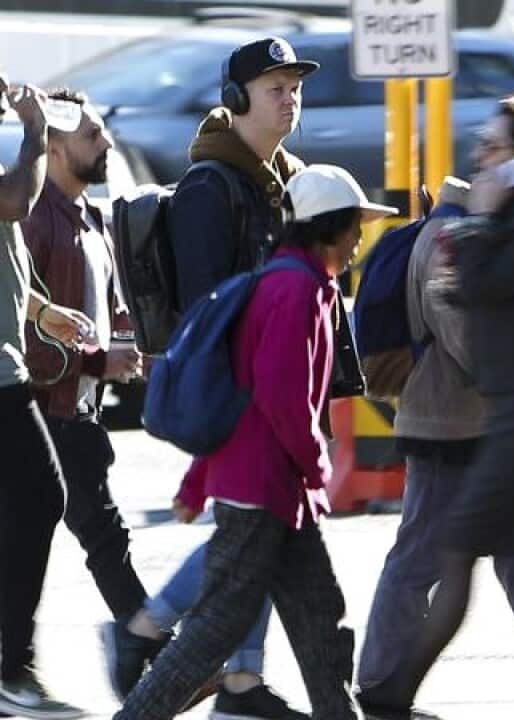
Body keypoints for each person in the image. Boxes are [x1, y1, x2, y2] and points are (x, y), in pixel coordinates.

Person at [114, 164, 393, 720]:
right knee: (215, 629)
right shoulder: (298, 290)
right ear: (329, 227)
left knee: (319, 618)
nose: (360, 235)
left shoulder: (295, 281)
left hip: (275, 491)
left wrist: (202, 481)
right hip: (265, 490)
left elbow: (240, 391)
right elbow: (279, 396)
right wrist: (318, 468)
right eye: (355, 224)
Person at [104, 36, 318, 719]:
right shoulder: (211, 186)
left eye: (295, 88)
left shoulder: (285, 180)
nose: (290, 100)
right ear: (236, 99)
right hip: (234, 391)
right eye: (275, 89)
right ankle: (148, 629)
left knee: (260, 533)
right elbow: (207, 307)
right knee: (250, 534)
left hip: (273, 386)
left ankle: (242, 679)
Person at [354, 177, 514, 717]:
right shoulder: (446, 238)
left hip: (477, 427)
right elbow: (467, 337)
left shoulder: (458, 234)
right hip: (448, 430)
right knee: (422, 563)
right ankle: (378, 686)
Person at [20, 87, 150, 643]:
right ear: (51, 147)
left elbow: (108, 312)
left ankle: (147, 644)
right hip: (45, 416)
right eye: (92, 135)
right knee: (96, 533)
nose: (107, 142)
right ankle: (154, 647)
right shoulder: (33, 221)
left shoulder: (91, 219)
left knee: (92, 533)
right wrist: (97, 359)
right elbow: (24, 325)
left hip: (81, 411)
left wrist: (125, 355)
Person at [0, 75, 88, 720]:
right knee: (41, 494)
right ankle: (11, 669)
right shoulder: (20, 159)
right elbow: (13, 203)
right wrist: (35, 130)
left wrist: (40, 311)